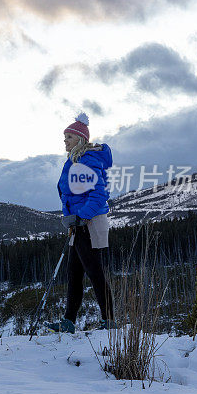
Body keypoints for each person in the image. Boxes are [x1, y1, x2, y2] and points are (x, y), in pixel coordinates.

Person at [46, 112, 114, 334]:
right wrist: (71, 220)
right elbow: (70, 194)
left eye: (68, 137)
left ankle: (109, 320)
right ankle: (68, 322)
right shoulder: (74, 160)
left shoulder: (87, 160)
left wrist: (82, 217)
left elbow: (98, 195)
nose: (64, 141)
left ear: (80, 139)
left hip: (90, 224)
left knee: (95, 273)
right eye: (64, 137)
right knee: (74, 273)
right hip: (78, 224)